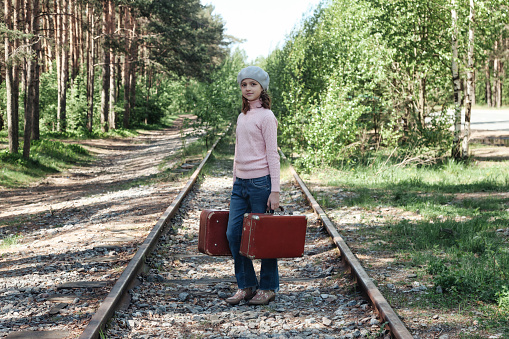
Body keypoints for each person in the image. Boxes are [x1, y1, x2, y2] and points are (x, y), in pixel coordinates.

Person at [225, 66, 280, 306]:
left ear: (262, 87)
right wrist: (235, 177)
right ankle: (246, 285)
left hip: (261, 183)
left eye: (253, 84)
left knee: (264, 238)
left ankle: (268, 287)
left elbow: (272, 154)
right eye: (244, 85)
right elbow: (238, 149)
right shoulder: (242, 115)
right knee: (233, 233)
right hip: (241, 184)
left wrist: (275, 190)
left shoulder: (267, 116)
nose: (248, 89)